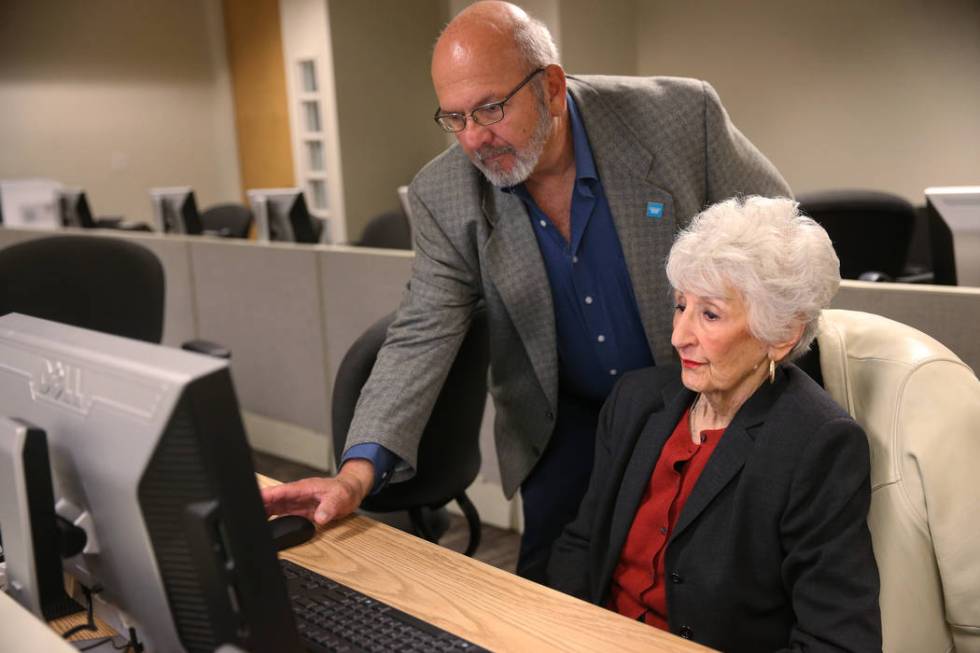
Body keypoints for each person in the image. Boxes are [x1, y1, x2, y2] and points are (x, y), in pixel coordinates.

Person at [261, 1, 791, 580]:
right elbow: (421, 333)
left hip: (706, 400)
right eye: (454, 118)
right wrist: (354, 474)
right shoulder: (446, 194)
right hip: (565, 422)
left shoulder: (682, 118)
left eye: (490, 110)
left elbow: (784, 242)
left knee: (706, 589)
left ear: (553, 89)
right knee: (548, 597)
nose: (474, 140)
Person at [547, 196, 881, 651]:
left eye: (710, 314)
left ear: (782, 334)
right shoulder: (636, 401)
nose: (679, 335)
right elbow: (582, 545)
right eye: (681, 306)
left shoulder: (817, 444)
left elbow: (837, 640)